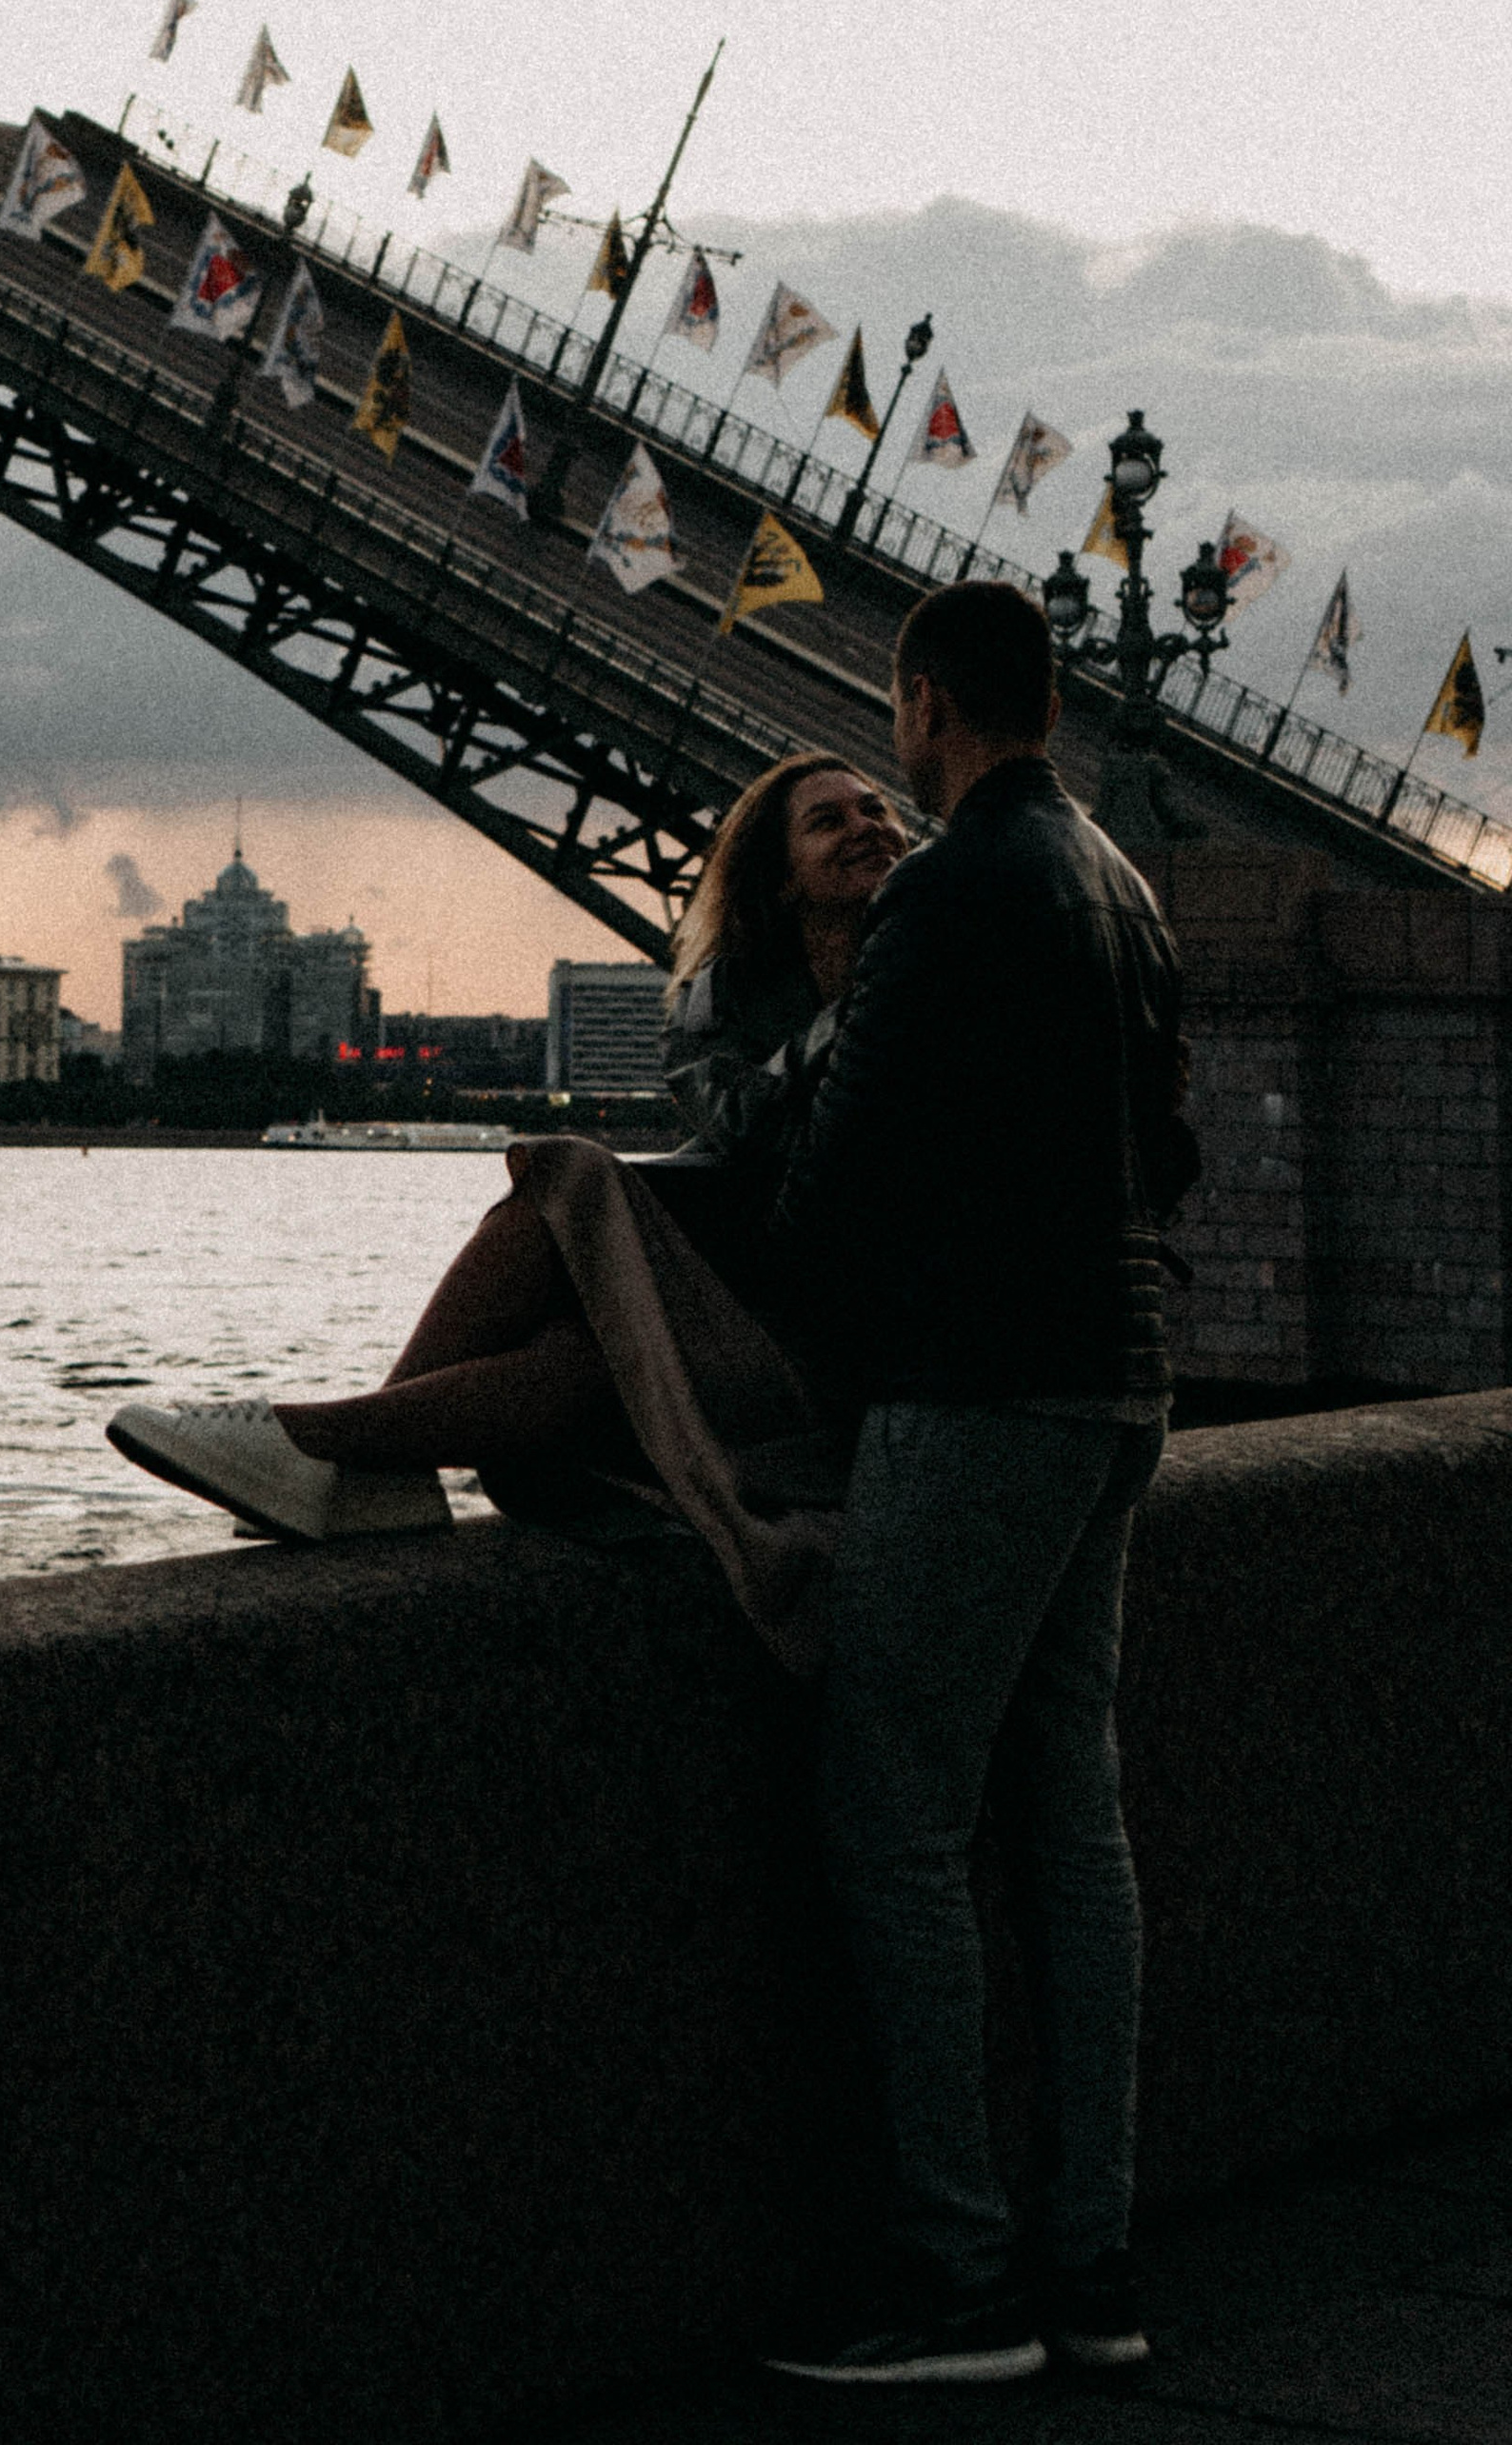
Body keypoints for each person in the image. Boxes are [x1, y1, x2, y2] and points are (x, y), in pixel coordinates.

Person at [749, 580, 1194, 2395]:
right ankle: (1092, 2264)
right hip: (1121, 1382)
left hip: (978, 1389)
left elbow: (840, 1182)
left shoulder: (948, 889)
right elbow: (1164, 1151)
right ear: (1060, 706)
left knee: (898, 1817)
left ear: (927, 702)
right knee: (1072, 1833)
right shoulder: (1126, 887)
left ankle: (956, 2280)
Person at [105, 752, 906, 1670]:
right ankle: (360, 1455)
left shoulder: (930, 982)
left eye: (874, 808)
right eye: (828, 820)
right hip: (750, 1320)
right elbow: (750, 1136)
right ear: (776, 876)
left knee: (568, 1184)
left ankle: (330, 1446)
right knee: (573, 1347)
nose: (864, 827)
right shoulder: (725, 1005)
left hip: (833, 1357)